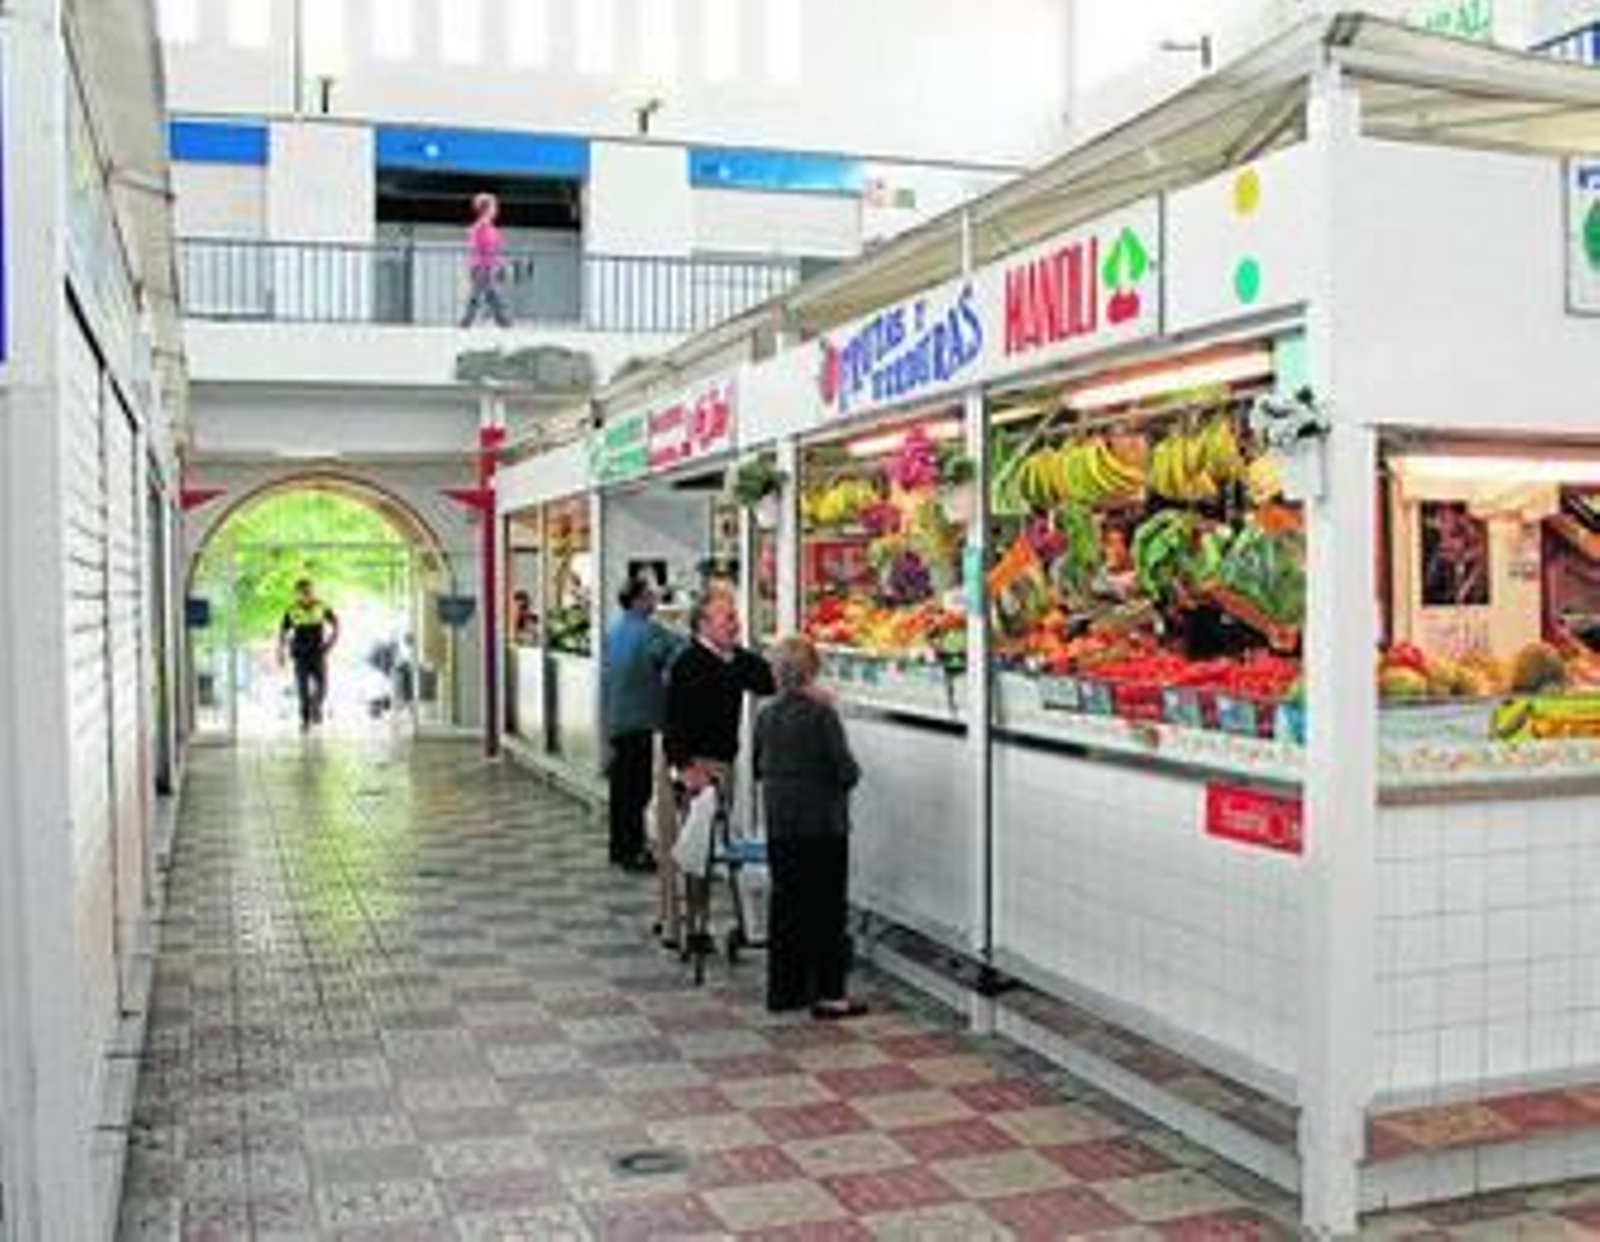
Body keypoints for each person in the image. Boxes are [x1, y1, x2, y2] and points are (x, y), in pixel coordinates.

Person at [755, 637, 866, 1019]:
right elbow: (846, 772)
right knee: (826, 909)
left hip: (780, 824)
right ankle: (829, 993)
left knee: (786, 906)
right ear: (812, 670)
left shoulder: (766, 715)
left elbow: (758, 766)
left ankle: (785, 991)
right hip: (822, 825)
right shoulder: (822, 715)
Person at [660, 587, 774, 947]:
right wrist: (685, 768)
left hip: (723, 764)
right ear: (703, 624)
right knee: (693, 849)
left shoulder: (734, 659)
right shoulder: (687, 662)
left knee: (707, 847)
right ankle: (690, 928)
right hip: (693, 765)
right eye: (729, 618)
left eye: (735, 616)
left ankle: (698, 924)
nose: (736, 624)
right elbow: (673, 723)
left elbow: (768, 681)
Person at [603, 576, 682, 872]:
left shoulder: (615, 631)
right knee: (637, 791)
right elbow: (680, 652)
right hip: (641, 720)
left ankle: (619, 847)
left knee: (621, 790)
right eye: (649, 596)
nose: (654, 601)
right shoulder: (649, 631)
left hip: (617, 719)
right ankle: (634, 852)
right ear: (637, 601)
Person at [278, 578, 339, 730]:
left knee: (323, 687)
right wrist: (280, 652)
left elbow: (336, 624)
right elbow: (283, 632)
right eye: (302, 592)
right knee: (302, 689)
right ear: (297, 594)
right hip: (300, 655)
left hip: (318, 653)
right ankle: (305, 719)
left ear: (313, 592)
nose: (306, 595)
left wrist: (331, 643)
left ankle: (315, 707)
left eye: (309, 591)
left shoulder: (322, 606)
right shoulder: (291, 611)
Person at [460, 191, 512, 328]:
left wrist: (499, 263)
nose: (496, 210)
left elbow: (494, 249)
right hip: (481, 266)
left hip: (487, 266)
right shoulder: (481, 226)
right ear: (486, 209)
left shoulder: (487, 227)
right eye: (494, 206)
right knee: (485, 294)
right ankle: (502, 321)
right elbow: (480, 246)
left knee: (486, 294)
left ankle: (468, 321)